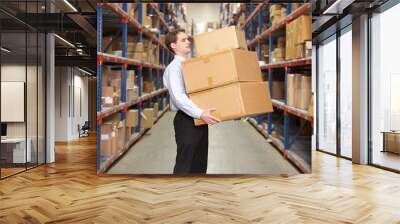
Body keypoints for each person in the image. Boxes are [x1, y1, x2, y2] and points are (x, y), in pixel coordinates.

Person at [163, 28, 220, 174]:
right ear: (173, 46)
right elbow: (178, 96)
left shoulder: (190, 66)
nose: (188, 42)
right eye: (183, 40)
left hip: (199, 119)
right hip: (186, 120)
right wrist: (200, 113)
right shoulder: (174, 68)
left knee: (199, 163)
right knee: (185, 164)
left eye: (188, 39)